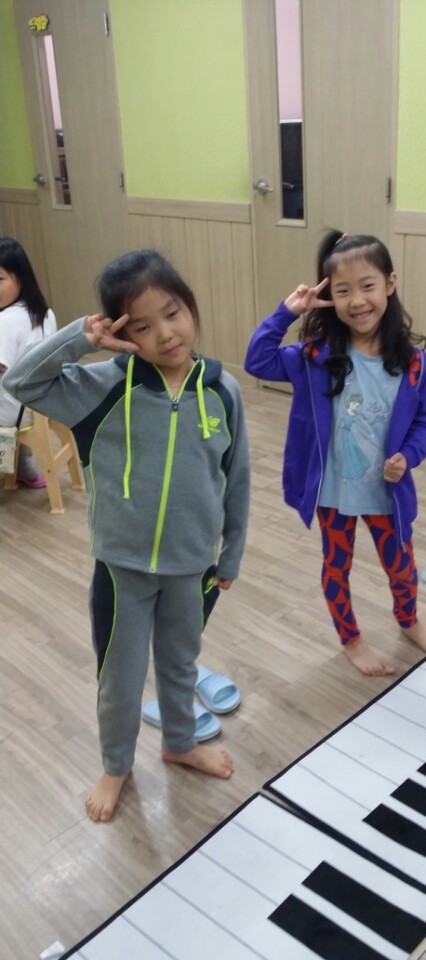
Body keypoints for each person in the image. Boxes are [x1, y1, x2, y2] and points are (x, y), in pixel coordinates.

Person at [4, 249, 250, 821]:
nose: (165, 334)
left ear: (189, 306)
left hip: (193, 565)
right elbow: (19, 381)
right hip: (122, 570)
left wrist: (231, 554)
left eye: (173, 313)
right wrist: (80, 339)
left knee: (181, 663)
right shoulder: (100, 387)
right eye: (141, 326)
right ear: (120, 331)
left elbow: (236, 478)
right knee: (120, 677)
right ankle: (116, 765)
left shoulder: (222, 390)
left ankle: (180, 743)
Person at [244, 230, 426, 677]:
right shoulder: (314, 357)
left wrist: (408, 457)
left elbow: (424, 423)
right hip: (333, 495)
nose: (357, 301)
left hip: (386, 495)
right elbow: (257, 361)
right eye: (342, 291)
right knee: (336, 568)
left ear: (390, 283)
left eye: (367, 286)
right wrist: (286, 312)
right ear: (328, 297)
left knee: (402, 566)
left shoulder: (414, 365)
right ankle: (351, 640)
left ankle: (409, 619)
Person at [0, 237, 57, 486]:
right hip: (43, 402)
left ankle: (9, 460)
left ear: (21, 279)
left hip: (14, 413)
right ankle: (22, 464)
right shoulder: (45, 312)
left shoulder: (6, 320)